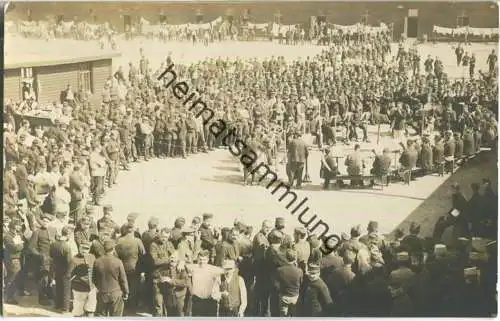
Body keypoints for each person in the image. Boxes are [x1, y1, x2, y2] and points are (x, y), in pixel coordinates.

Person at [92, 239, 129, 317]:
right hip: (115, 293)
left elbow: (94, 279)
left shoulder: (97, 261)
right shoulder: (118, 262)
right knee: (116, 316)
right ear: (113, 249)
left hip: (102, 293)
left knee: (101, 316)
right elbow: (123, 279)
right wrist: (126, 292)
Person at [190, 250, 224, 316]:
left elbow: (219, 283)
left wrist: (216, 294)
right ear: (197, 259)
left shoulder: (214, 269)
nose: (202, 262)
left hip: (210, 301)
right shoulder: (193, 268)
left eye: (204, 260)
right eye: (200, 259)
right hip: (197, 301)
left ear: (208, 260)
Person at [273, 249, 303, 316]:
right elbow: (301, 283)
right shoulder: (299, 271)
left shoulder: (279, 270)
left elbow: (275, 284)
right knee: (294, 314)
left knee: (283, 315)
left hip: (284, 295)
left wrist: (280, 290)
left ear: (286, 258)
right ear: (295, 259)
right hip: (295, 295)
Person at [69, 241, 97, 317]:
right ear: (79, 248)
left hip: (91, 289)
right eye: (82, 248)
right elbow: (69, 275)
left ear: (89, 249)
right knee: (78, 313)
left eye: (86, 249)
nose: (84, 251)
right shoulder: (74, 259)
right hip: (79, 289)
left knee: (91, 311)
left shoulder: (92, 257)